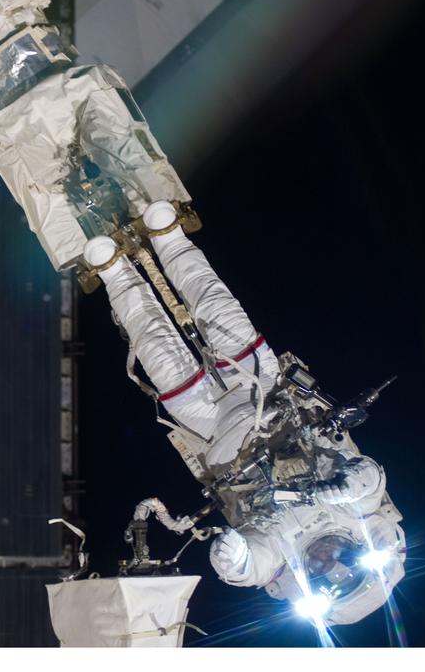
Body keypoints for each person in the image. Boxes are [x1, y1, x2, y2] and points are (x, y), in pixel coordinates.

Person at [84, 201, 406, 626]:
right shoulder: (358, 515)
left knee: (156, 344)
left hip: (212, 428)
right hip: (269, 395)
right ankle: (168, 238)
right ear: (356, 553)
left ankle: (113, 270)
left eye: (323, 570)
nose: (327, 559)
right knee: (215, 305)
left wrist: (233, 560)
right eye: (339, 560)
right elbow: (370, 478)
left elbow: (249, 566)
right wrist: (345, 488)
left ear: (309, 578)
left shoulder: (280, 553)